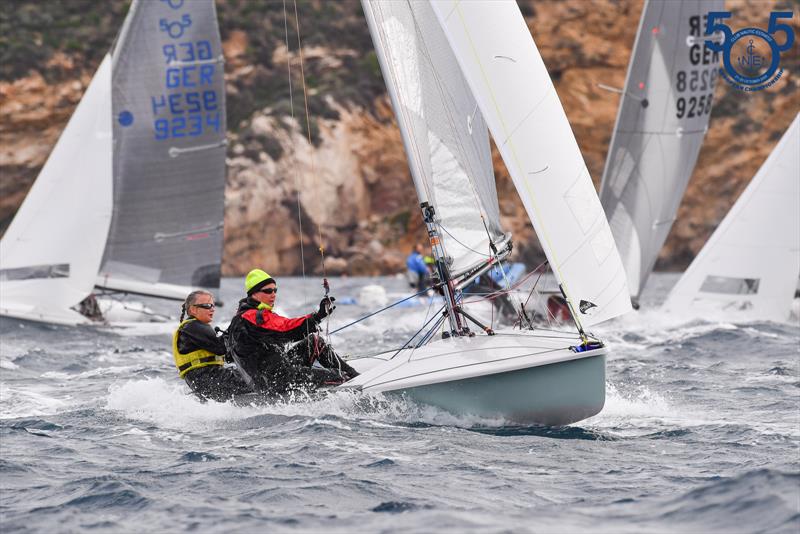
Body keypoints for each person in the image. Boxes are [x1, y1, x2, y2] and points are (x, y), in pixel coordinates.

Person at [227, 269, 358, 397]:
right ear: (253, 293)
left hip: (277, 371)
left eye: (275, 290)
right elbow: (286, 328)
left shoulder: (243, 316)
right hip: (276, 382)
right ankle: (354, 380)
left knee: (314, 342)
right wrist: (317, 317)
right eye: (268, 291)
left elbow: (227, 347)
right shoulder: (253, 317)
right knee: (339, 376)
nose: (273, 294)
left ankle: (354, 375)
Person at [172, 290, 252, 402]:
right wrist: (238, 320)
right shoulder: (193, 326)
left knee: (250, 372)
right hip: (209, 379)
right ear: (193, 309)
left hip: (206, 381)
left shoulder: (195, 328)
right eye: (207, 305)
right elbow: (221, 348)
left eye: (213, 306)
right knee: (257, 377)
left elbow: (228, 352)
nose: (212, 309)